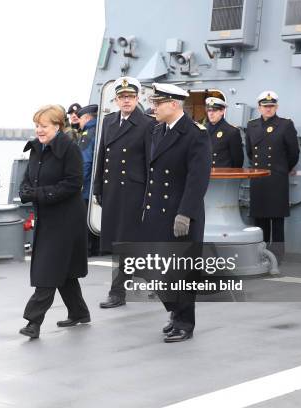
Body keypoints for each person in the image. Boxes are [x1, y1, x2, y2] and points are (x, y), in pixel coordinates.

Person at [142, 83, 211, 343]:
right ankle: (174, 310)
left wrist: (185, 213)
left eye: (158, 103)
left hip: (181, 215)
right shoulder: (157, 131)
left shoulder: (196, 134)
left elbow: (198, 179)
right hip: (156, 213)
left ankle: (184, 322)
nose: (153, 107)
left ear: (174, 104)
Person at [18, 105, 90, 339]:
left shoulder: (69, 149)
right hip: (47, 218)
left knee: (49, 270)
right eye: (37, 125)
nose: (39, 130)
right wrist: (26, 190)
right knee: (65, 271)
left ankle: (33, 321)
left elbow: (72, 183)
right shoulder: (36, 149)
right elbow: (28, 178)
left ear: (58, 126)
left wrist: (38, 194)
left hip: (66, 220)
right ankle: (79, 313)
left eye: (44, 126)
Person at [93, 76, 154, 308]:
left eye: (130, 96)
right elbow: (102, 155)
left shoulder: (147, 124)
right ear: (116, 100)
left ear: (137, 98)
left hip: (134, 192)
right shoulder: (109, 121)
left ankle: (117, 292)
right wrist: (98, 187)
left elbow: (151, 164)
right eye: (122, 97)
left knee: (127, 244)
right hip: (112, 191)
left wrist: (149, 195)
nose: (126, 101)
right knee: (121, 243)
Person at [245, 91, 300, 263]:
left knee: (276, 219)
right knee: (259, 218)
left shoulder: (285, 125)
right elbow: (250, 152)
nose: (268, 109)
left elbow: (293, 153)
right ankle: (259, 254)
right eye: (265, 106)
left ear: (276, 107)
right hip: (259, 178)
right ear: (259, 107)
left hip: (277, 177)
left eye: (271, 106)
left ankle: (277, 256)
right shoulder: (252, 125)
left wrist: (283, 169)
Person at [76, 104, 100, 256]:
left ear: (86, 118)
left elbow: (85, 161)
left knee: (86, 217)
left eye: (80, 119)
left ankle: (87, 250)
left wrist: (79, 183)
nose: (78, 123)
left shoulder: (88, 133)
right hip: (96, 183)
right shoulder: (100, 129)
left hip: (87, 185)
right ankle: (96, 248)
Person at [205, 97, 244, 168]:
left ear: (222, 111)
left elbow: (237, 161)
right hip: (204, 174)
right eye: (209, 110)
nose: (211, 113)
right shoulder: (202, 129)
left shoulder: (232, 132)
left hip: (222, 176)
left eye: (214, 110)